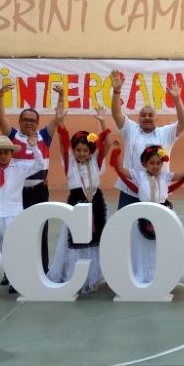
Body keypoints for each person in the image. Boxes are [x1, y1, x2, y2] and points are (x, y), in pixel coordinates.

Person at [0, 83, 65, 270]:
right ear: (19, 121)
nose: (28, 123)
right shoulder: (12, 136)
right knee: (15, 230)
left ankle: (43, 269)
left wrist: (61, 96)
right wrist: (0, 95)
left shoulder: (45, 136)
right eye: (25, 119)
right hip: (16, 192)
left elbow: (58, 117)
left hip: (39, 190)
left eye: (32, 120)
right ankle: (14, 271)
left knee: (41, 229)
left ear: (37, 123)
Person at [111, 143, 184, 284]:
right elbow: (122, 171)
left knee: (161, 246)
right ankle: (145, 272)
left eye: (158, 163)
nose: (155, 166)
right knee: (144, 246)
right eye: (152, 163)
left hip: (163, 214)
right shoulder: (139, 176)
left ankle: (163, 273)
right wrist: (117, 152)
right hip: (144, 215)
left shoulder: (165, 177)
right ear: (145, 163)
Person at [0, 134, 47, 293]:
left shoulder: (20, 167)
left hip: (13, 214)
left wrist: (34, 146)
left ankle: (14, 279)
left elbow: (40, 164)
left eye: (6, 152)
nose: (2, 155)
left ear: (11, 152)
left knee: (13, 248)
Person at [47, 108, 112, 295]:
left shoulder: (96, 162)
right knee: (75, 240)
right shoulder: (69, 163)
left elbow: (107, 143)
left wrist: (103, 122)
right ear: (73, 151)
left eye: (85, 150)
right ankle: (74, 275)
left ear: (91, 151)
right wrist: (61, 121)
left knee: (96, 239)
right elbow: (62, 141)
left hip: (96, 203)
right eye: (78, 150)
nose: (82, 153)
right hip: (76, 203)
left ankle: (93, 276)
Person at [108, 69, 184, 209]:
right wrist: (116, 92)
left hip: (157, 194)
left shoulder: (166, 133)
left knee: (156, 224)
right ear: (138, 119)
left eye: (151, 115)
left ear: (157, 119)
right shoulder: (130, 129)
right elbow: (116, 114)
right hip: (129, 192)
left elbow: (183, 123)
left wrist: (177, 100)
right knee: (126, 223)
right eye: (143, 115)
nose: (147, 117)